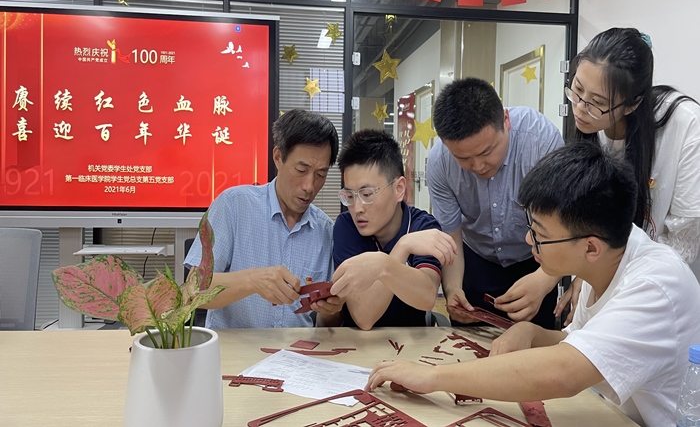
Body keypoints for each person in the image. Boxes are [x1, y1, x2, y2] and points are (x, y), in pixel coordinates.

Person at [366, 142, 700, 427]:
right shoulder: (608, 254)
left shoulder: (654, 286)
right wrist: (533, 333)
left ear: (590, 248)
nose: (529, 241)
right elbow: (585, 345)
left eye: (540, 235)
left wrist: (432, 377)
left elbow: (565, 372)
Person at [501, 27, 700, 326]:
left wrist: (602, 279)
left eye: (596, 102)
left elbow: (683, 244)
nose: (580, 109)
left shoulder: (685, 127)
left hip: (659, 294)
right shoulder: (593, 130)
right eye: (577, 90)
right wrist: (557, 276)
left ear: (632, 104)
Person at [184, 109, 344, 328]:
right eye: (301, 170)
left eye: (320, 175)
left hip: (296, 348)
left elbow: (326, 325)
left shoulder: (326, 229)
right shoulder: (234, 205)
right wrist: (252, 280)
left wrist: (332, 311)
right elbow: (193, 289)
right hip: (237, 348)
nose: (309, 186)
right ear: (278, 157)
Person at [427, 77, 564, 328]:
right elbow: (451, 235)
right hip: (474, 258)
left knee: (536, 342)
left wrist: (544, 280)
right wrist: (453, 288)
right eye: (463, 158)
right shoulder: (439, 163)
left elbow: (564, 227)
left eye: (487, 151)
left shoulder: (541, 142)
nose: (478, 166)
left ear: (505, 120)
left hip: (538, 257)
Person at [330, 129, 456, 330]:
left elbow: (427, 297)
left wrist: (386, 262)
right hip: (357, 344)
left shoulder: (422, 226)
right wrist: (400, 249)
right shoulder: (347, 227)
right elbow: (363, 316)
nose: (357, 208)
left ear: (399, 189)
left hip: (409, 344)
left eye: (367, 194)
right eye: (350, 196)